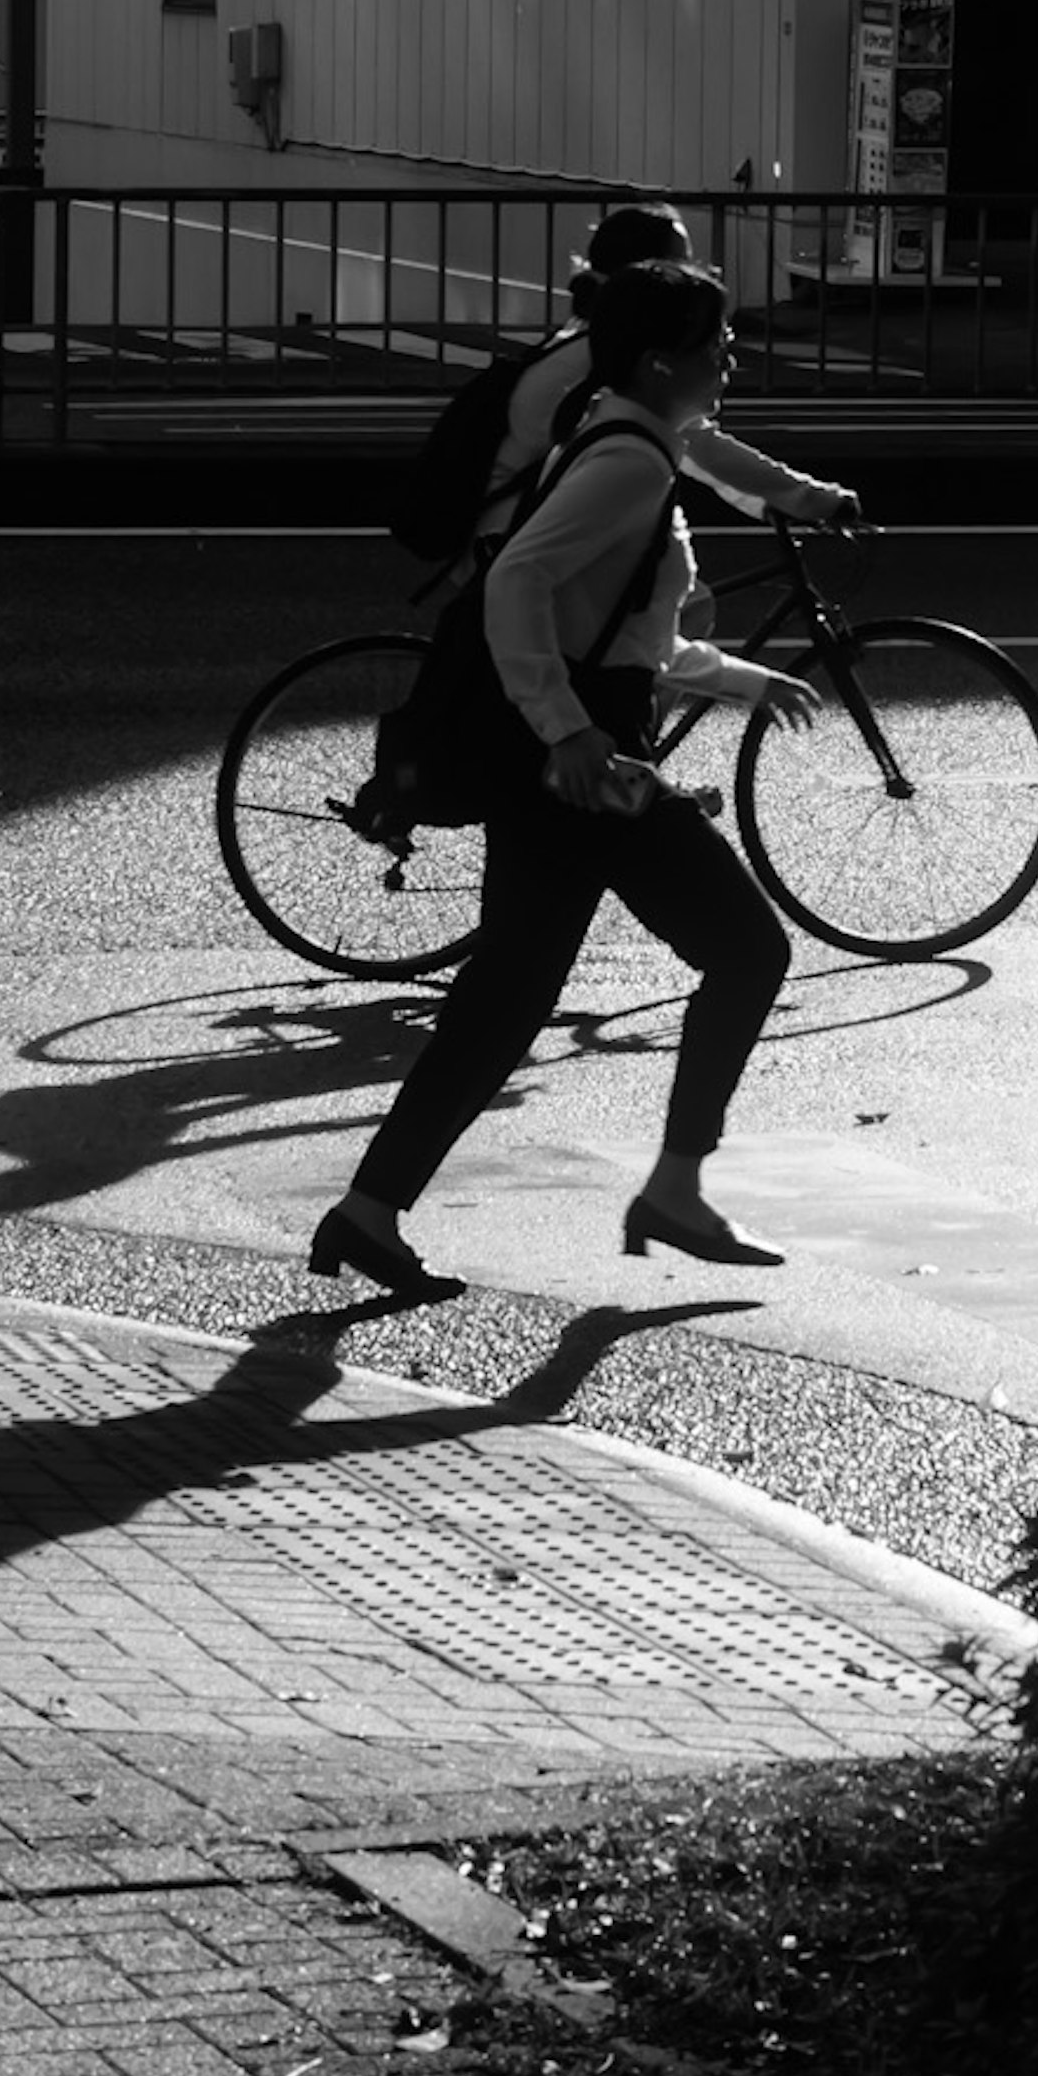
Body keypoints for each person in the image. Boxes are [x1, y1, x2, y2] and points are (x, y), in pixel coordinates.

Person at [314, 262, 821, 1299]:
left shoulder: (623, 429)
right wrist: (570, 732)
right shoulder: (631, 459)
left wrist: (742, 680)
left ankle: (368, 1211)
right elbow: (518, 582)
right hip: (587, 769)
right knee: (748, 950)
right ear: (658, 359)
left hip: (574, 757)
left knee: (507, 994)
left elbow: (626, 635)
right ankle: (674, 1187)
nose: (732, 355)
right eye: (717, 339)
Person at [477, 199, 856, 554]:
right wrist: (809, 499)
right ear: (649, 273)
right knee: (683, 599)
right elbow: (697, 443)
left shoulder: (593, 338)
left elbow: (691, 442)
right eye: (683, 264)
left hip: (512, 522)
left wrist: (770, 501)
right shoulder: (612, 353)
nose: (693, 275)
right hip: (515, 534)